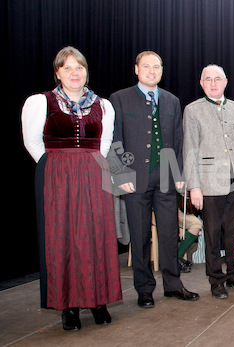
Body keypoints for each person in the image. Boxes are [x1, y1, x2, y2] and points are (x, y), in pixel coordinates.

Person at [21, 46, 122, 331]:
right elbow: (33, 142)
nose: (74, 73)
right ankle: (69, 306)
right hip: (57, 174)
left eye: (79, 67)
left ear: (86, 72)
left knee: (96, 235)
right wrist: (57, 166)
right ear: (58, 73)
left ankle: (98, 301)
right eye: (67, 68)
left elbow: (104, 143)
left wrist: (90, 166)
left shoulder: (103, 105)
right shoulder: (40, 102)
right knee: (62, 237)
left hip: (93, 172)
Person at [109, 51, 198, 309]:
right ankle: (145, 289)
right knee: (140, 237)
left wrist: (180, 175)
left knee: (170, 235)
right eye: (146, 66)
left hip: (167, 179)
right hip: (134, 179)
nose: (151, 71)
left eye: (156, 66)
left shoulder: (171, 100)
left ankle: (173, 285)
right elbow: (115, 138)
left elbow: (179, 140)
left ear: (162, 70)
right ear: (136, 69)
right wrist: (120, 174)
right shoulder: (120, 98)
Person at [183, 64, 234, 298]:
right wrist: (194, 186)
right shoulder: (193, 110)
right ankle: (216, 279)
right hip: (209, 184)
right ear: (202, 84)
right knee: (213, 234)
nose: (213, 83)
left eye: (218, 79)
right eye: (208, 79)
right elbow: (190, 150)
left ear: (226, 82)